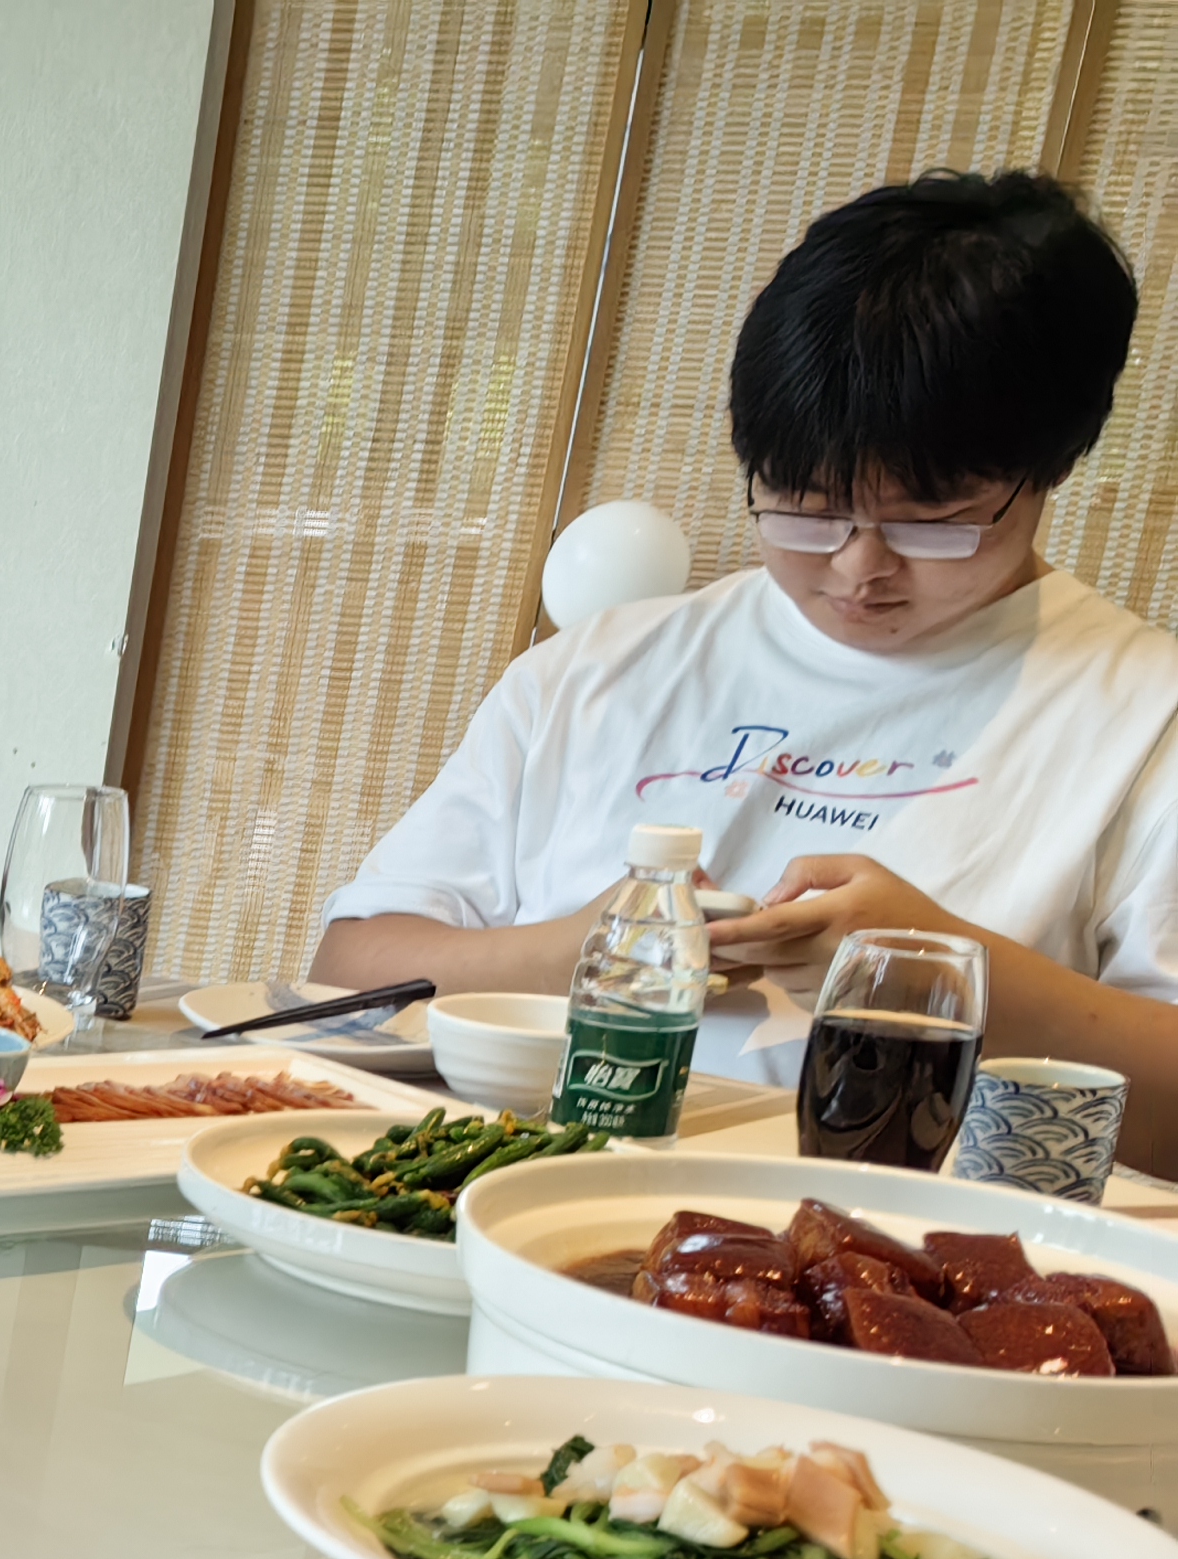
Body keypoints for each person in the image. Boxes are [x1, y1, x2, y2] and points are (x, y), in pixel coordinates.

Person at [312, 169, 1178, 1164]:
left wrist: (939, 978)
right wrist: (599, 950)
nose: (857, 568)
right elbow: (347, 973)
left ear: (1053, 463)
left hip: (890, 1248)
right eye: (804, 508)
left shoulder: (1144, 714)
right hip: (513, 1203)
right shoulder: (602, 668)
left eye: (930, 522)